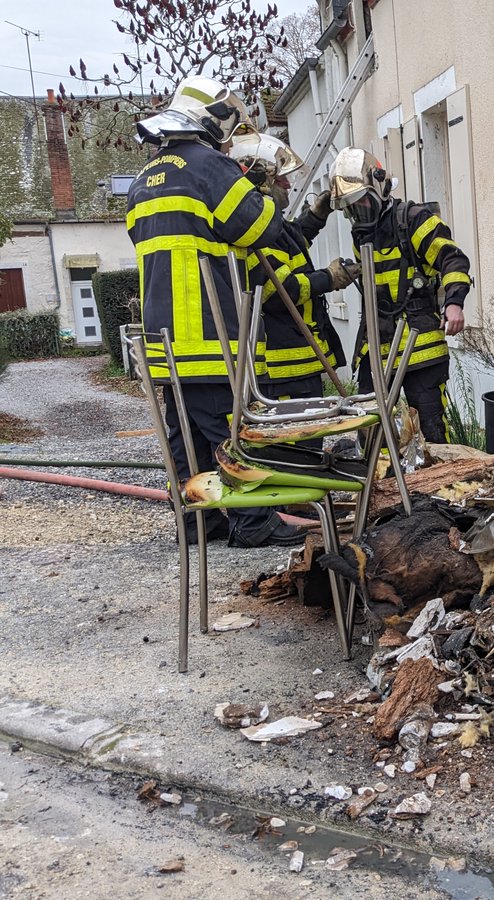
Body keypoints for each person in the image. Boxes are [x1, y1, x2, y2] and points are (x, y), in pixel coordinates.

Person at [126, 75, 303, 548]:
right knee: (231, 431)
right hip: (211, 333)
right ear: (214, 120)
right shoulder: (209, 166)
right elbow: (259, 227)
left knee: (185, 435)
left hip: (164, 341)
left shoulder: (144, 180)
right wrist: (264, 192)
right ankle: (254, 522)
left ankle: (198, 521)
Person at [326, 147, 471, 444]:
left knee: (431, 431)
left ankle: (440, 474)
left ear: (379, 186)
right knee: (370, 431)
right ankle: (380, 475)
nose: (358, 211)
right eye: (350, 207)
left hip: (421, 349)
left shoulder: (414, 219)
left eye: (361, 201)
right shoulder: (361, 235)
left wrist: (454, 303)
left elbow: (453, 259)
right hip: (377, 351)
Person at [229, 131, 356, 402]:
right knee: (299, 430)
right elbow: (280, 291)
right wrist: (329, 278)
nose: (288, 184)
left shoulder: (270, 225)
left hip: (299, 364)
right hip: (284, 369)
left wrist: (316, 217)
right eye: (280, 179)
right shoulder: (255, 233)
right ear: (260, 183)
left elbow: (291, 243)